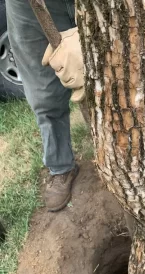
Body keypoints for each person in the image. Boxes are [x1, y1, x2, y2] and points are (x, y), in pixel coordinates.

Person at [6, 0, 84, 212]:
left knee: (115, 69)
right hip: (29, 5)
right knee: (43, 91)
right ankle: (61, 165)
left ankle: (123, 157)